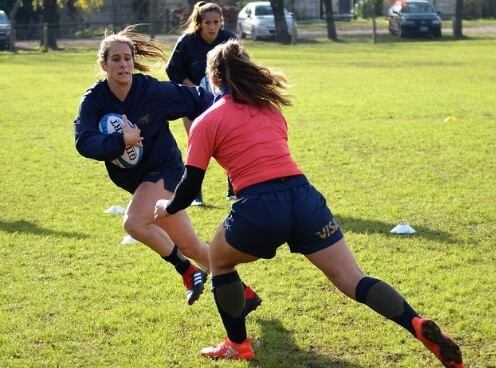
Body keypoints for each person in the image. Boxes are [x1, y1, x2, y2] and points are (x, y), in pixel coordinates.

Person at [154, 40, 464, 367]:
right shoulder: (270, 110)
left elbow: (190, 185)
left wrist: (168, 208)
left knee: (219, 261)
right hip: (304, 197)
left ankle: (238, 344)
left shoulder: (206, 120)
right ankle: (415, 324)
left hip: (260, 205)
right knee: (351, 278)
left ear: (213, 78)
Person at [74, 27, 261, 312]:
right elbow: (84, 141)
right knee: (191, 246)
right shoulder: (94, 100)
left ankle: (187, 272)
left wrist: (232, 119)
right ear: (104, 64)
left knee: (134, 223)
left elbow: (197, 98)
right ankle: (243, 294)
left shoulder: (150, 91)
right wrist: (119, 140)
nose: (123, 64)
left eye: (127, 58)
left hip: (164, 169)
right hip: (137, 181)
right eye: (116, 59)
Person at [166, 1, 237, 205]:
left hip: (224, 100)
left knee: (230, 143)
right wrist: (196, 89)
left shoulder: (229, 39)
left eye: (216, 22)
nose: (213, 26)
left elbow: (240, 67)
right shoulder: (187, 42)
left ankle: (234, 188)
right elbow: (173, 71)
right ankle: (195, 195)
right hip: (193, 102)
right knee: (197, 146)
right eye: (208, 22)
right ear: (199, 23)